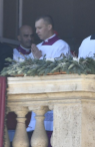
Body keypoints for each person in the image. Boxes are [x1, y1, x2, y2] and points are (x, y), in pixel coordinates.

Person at [27, 15, 71, 144]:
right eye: (36, 28)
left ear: (49, 27)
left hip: (53, 96)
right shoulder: (37, 47)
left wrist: (40, 58)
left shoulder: (61, 46)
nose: (37, 32)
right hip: (38, 95)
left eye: (39, 28)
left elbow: (58, 71)